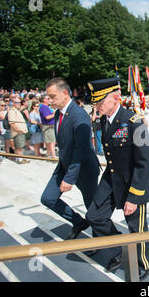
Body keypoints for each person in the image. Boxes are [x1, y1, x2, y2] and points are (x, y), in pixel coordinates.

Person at [85, 77, 149, 280]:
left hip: (134, 184)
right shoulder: (103, 120)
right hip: (112, 178)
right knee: (94, 216)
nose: (97, 106)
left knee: (137, 229)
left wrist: (133, 197)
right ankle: (120, 248)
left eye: (100, 102)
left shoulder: (134, 122)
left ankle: (146, 263)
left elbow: (144, 162)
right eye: (95, 103)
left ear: (115, 98)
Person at [40, 78, 100, 240]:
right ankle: (78, 222)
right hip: (65, 164)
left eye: (52, 96)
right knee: (48, 198)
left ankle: (102, 240)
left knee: (93, 209)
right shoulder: (59, 113)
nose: (49, 100)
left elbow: (82, 149)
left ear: (65, 93)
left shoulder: (78, 115)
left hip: (84, 168)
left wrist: (70, 178)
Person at [8, 98, 30, 164]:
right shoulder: (12, 111)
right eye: (17, 102)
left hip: (20, 131)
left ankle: (20, 158)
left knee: (19, 146)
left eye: (19, 102)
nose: (18, 104)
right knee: (19, 146)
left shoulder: (16, 110)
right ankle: (20, 159)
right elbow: (11, 122)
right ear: (13, 103)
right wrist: (18, 130)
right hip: (17, 132)